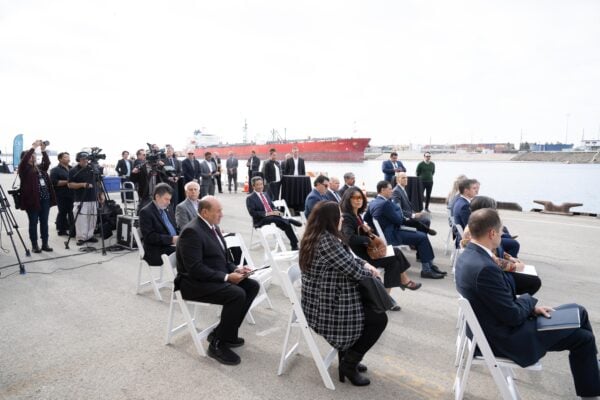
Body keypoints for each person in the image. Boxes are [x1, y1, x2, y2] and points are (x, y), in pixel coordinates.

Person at [455, 208, 600, 399]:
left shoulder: (468, 255)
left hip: (494, 328)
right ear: (492, 233)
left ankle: (593, 374)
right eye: (500, 232)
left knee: (579, 312)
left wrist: (531, 308)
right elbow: (513, 316)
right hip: (505, 339)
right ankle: (592, 388)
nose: (501, 236)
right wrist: (529, 301)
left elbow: (499, 304)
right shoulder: (485, 268)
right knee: (584, 338)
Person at [299, 201, 388, 386]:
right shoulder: (327, 242)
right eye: (338, 216)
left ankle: (351, 355)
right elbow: (353, 271)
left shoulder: (320, 235)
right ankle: (349, 363)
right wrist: (373, 274)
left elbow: (350, 259)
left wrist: (366, 265)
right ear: (331, 220)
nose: (341, 218)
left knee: (375, 312)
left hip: (325, 298)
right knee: (378, 319)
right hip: (325, 307)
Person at [175, 196, 259, 365]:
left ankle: (224, 333)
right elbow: (195, 269)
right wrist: (227, 277)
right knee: (236, 294)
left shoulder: (213, 226)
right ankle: (217, 344)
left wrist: (236, 269)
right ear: (205, 212)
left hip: (210, 276)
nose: (222, 214)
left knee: (251, 286)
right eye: (218, 211)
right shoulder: (191, 232)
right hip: (193, 283)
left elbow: (223, 258)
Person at [340, 187, 421, 305]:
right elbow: (349, 238)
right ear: (348, 199)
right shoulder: (348, 217)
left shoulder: (356, 214)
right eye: (354, 198)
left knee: (395, 253)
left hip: (368, 251)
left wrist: (368, 231)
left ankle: (387, 297)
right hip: (362, 256)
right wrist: (368, 239)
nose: (358, 200)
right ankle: (390, 294)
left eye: (360, 198)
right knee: (394, 261)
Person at [365, 181, 445, 279]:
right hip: (392, 234)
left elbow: (366, 219)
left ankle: (430, 266)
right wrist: (398, 210)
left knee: (421, 234)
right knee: (422, 237)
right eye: (390, 189)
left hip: (386, 233)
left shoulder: (373, 202)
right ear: (382, 190)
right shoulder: (386, 204)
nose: (392, 191)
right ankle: (426, 270)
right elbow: (399, 220)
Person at [459, 196, 538, 295]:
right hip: (494, 273)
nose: (501, 234)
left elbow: (489, 254)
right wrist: (515, 267)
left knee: (532, 280)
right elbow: (490, 260)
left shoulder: (475, 226)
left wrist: (509, 257)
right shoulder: (475, 232)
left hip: (495, 270)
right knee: (534, 282)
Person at [18, 140, 57, 253]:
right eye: (30, 155)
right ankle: (35, 245)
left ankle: (45, 244)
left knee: (44, 222)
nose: (33, 156)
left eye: (34, 155)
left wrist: (43, 150)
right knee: (33, 223)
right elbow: (24, 161)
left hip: (45, 199)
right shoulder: (24, 169)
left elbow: (47, 163)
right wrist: (33, 147)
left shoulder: (40, 168)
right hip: (32, 201)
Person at [246, 177, 301, 250]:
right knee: (278, 219)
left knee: (286, 224)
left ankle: (294, 245)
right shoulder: (250, 198)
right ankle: (288, 219)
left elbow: (272, 206)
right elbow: (253, 213)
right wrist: (267, 213)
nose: (260, 186)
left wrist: (276, 212)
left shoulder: (266, 194)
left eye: (261, 184)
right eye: (257, 185)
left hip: (273, 217)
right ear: (253, 186)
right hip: (260, 220)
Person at [138, 183, 178, 266]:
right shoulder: (145, 212)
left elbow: (174, 228)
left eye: (169, 199)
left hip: (171, 245)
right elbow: (150, 237)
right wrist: (172, 239)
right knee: (189, 252)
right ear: (157, 197)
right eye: (166, 199)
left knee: (195, 246)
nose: (169, 202)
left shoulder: (168, 209)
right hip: (156, 250)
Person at [68, 151, 99, 246]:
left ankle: (89, 236)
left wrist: (100, 194)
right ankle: (81, 238)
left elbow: (97, 182)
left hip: (93, 198)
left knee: (92, 218)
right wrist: (83, 185)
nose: (85, 160)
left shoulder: (92, 169)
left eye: (86, 159)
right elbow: (70, 184)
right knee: (81, 219)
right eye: (83, 159)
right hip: (80, 199)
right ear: (78, 160)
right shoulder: (73, 170)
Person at [50, 151, 74, 237]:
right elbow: (54, 182)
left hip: (72, 194)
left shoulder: (72, 168)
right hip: (61, 194)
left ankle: (72, 229)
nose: (68, 158)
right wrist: (68, 182)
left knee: (72, 212)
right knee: (63, 212)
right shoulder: (55, 170)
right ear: (60, 159)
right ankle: (61, 229)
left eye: (68, 156)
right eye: (65, 157)